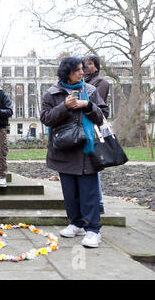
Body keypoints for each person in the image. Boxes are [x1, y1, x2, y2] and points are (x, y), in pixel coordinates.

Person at [40, 57, 109, 248]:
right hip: (63, 149)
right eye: (78, 70)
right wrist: (65, 107)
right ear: (67, 73)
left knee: (89, 192)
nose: (82, 72)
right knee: (70, 192)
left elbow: (103, 115)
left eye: (83, 69)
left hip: (86, 150)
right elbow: (46, 118)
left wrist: (88, 106)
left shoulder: (91, 91)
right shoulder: (51, 94)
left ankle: (93, 230)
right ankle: (76, 223)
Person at [83, 55, 110, 214]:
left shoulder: (100, 83)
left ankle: (98, 203)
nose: (87, 67)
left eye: (90, 64)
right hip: (82, 129)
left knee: (93, 165)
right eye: (84, 64)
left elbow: (96, 106)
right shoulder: (83, 83)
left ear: (97, 67)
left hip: (93, 129)